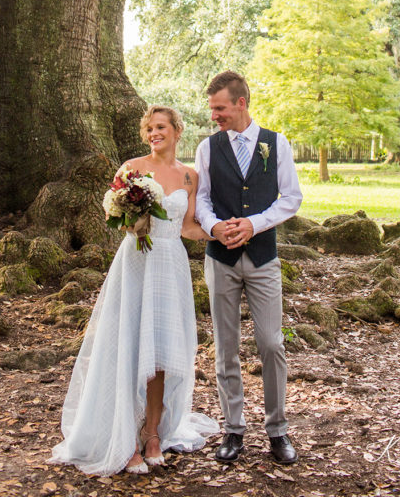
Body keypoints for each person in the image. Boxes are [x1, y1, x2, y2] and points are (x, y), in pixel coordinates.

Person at [50, 105, 218, 475]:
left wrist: (219, 233)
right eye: (149, 129)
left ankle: (153, 432)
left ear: (177, 130)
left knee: (161, 352)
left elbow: (188, 226)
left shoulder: (189, 176)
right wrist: (132, 216)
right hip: (137, 262)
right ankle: (124, 440)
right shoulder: (131, 168)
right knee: (129, 347)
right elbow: (115, 217)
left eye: (161, 127)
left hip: (170, 266)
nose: (154, 133)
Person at [195, 71, 303, 466]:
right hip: (220, 260)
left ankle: (277, 430)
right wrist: (214, 226)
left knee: (271, 343)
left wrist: (254, 223)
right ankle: (233, 430)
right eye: (212, 109)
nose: (214, 116)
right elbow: (201, 200)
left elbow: (291, 198)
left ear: (241, 103)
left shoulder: (277, 144)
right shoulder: (208, 148)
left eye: (219, 108)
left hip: (263, 259)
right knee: (226, 348)